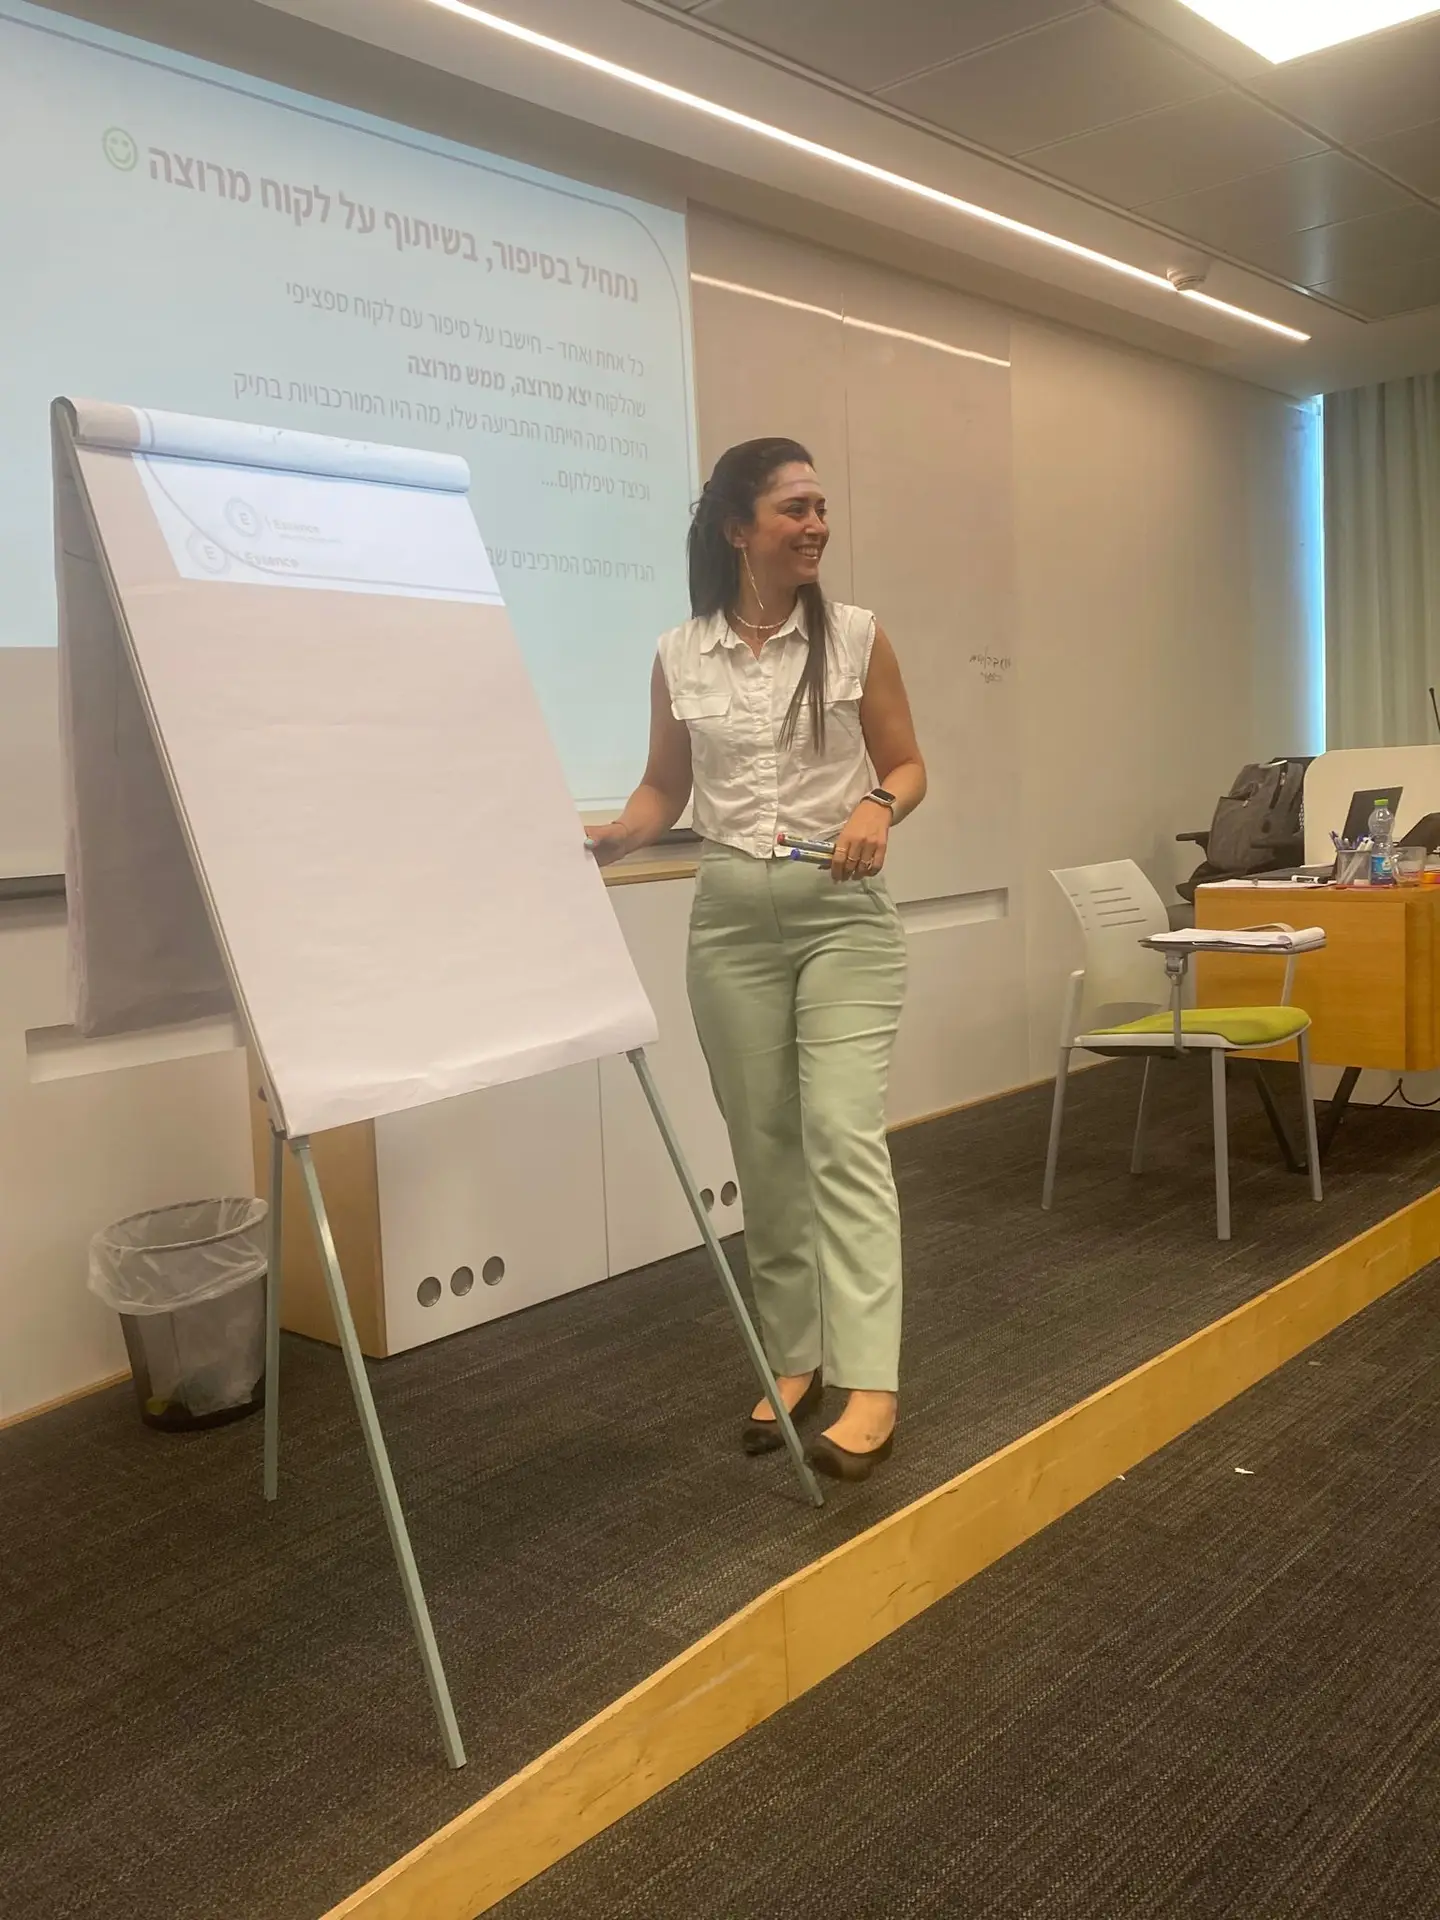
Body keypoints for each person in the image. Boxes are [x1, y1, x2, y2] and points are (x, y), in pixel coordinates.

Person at [589, 438, 926, 1481]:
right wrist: (617, 835)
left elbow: (908, 764)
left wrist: (878, 805)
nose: (817, 525)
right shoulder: (680, 652)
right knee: (764, 1146)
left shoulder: (857, 637)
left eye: (821, 507)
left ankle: (870, 1381)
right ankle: (795, 1356)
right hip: (730, 921)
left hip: (842, 916)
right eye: (795, 509)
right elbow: (665, 789)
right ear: (739, 529)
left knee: (839, 1132)